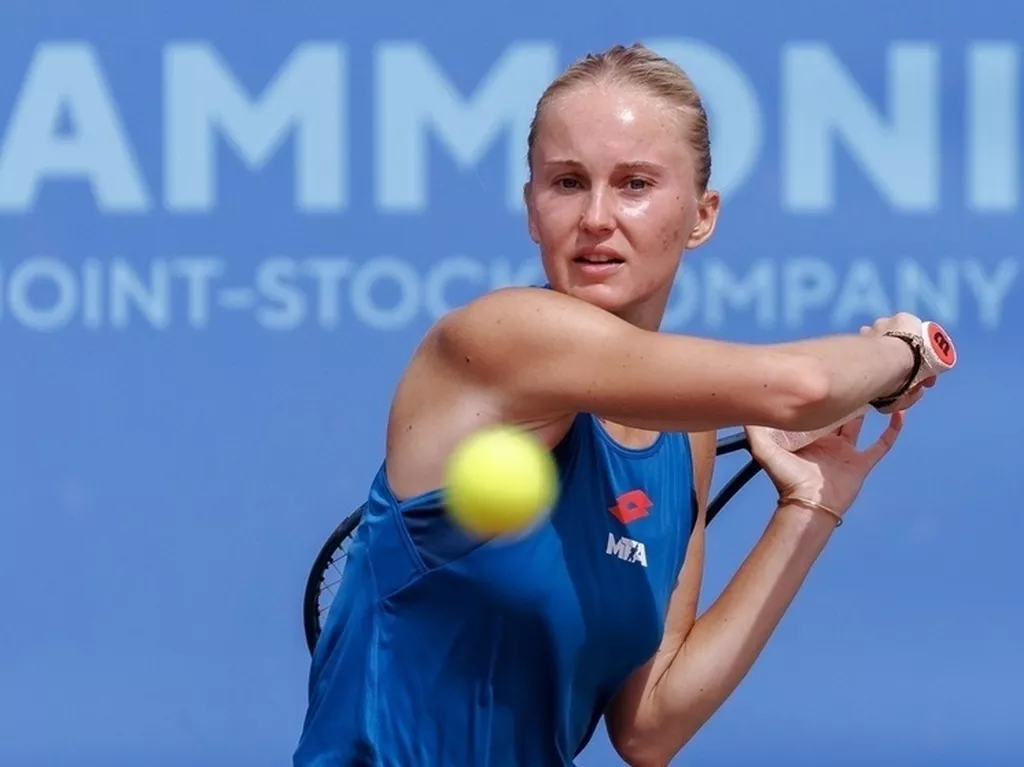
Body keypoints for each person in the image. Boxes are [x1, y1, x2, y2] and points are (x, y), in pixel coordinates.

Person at [293, 43, 936, 767]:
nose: (596, 216)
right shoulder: (500, 340)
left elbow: (650, 724)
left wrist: (809, 506)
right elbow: (802, 388)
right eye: (568, 182)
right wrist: (907, 351)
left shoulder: (684, 437)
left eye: (635, 184)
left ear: (702, 215)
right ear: (532, 208)